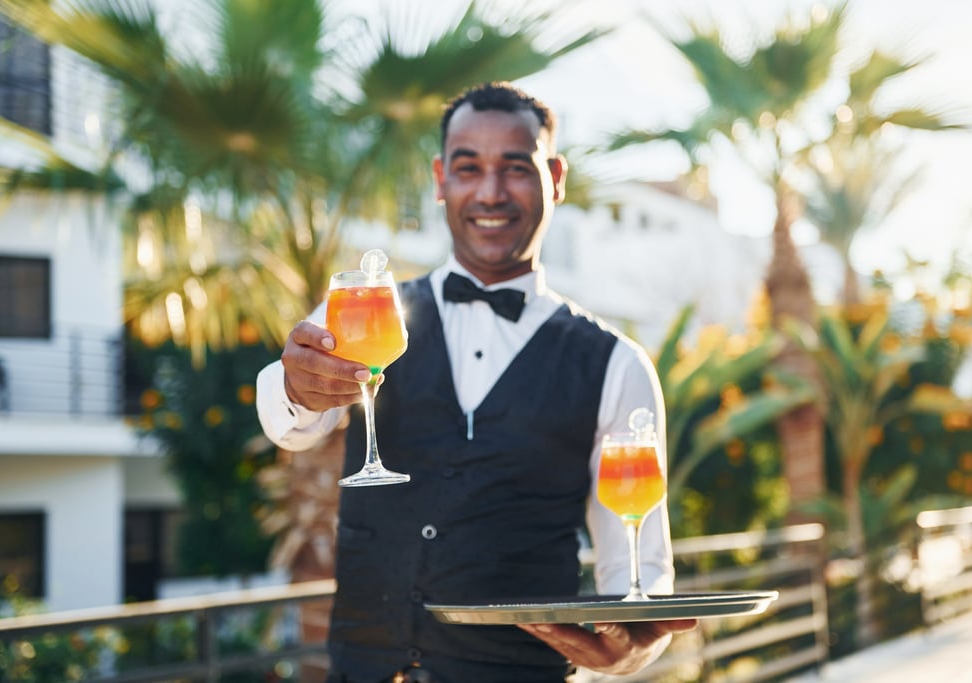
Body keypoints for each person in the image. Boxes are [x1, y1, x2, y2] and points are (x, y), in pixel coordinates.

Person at [257, 81, 695, 683]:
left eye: (516, 168)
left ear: (556, 178)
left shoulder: (617, 363)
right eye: (468, 168)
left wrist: (634, 651)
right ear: (440, 180)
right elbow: (289, 424)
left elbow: (639, 570)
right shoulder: (364, 313)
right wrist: (297, 386)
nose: (490, 192)